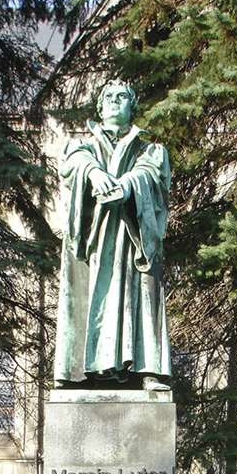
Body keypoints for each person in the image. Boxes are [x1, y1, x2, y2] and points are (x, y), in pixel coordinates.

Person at [53, 80, 172, 390]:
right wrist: (93, 173)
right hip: (93, 243)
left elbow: (152, 172)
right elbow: (74, 163)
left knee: (143, 293)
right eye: (109, 96)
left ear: (132, 106)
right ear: (100, 106)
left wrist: (128, 185)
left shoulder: (148, 149)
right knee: (85, 295)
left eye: (122, 97)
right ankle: (80, 374)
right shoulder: (83, 146)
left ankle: (146, 370)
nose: (115, 101)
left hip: (132, 239)